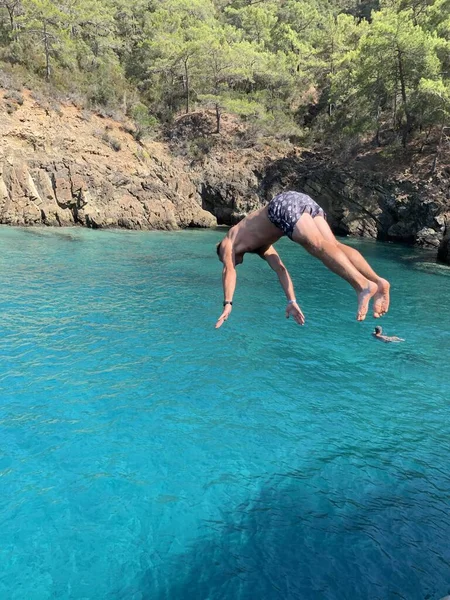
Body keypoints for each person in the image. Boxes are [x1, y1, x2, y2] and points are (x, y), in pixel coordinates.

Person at [215, 190, 390, 329]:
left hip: (282, 207)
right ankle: (377, 281)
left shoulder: (227, 242)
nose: (236, 262)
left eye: (228, 259)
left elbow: (229, 271)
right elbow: (281, 270)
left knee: (316, 246)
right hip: (297, 200)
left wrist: (228, 303)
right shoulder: (261, 245)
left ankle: (362, 286)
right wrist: (291, 301)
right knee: (333, 245)